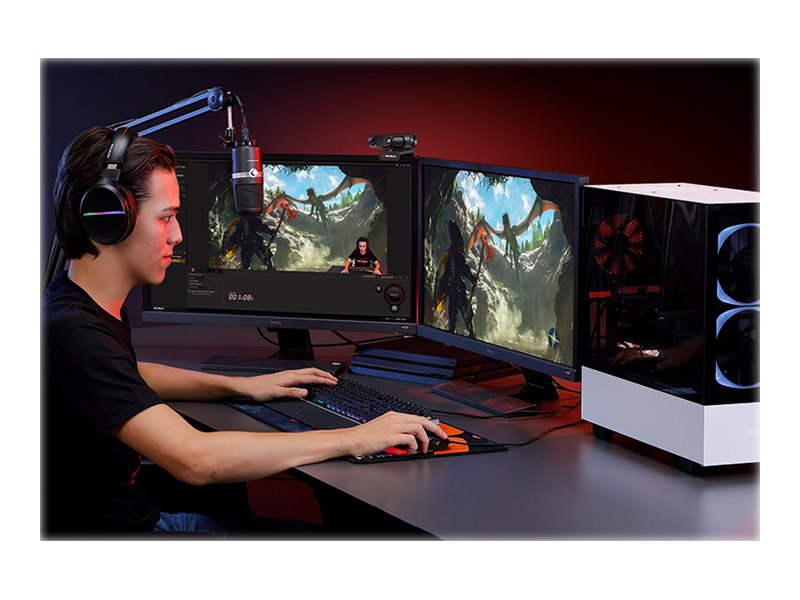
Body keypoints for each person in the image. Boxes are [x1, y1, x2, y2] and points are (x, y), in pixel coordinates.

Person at [42, 126, 445, 538]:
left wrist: (242, 386)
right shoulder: (76, 333)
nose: (177, 235)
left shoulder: (76, 304)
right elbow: (195, 460)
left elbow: (125, 372)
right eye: (165, 218)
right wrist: (353, 438)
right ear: (108, 218)